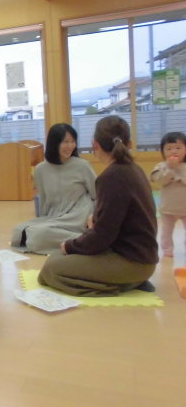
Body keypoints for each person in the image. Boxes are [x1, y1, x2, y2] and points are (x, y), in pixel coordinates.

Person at [38, 116, 158, 296]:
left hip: (132, 262)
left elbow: (103, 236)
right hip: (141, 257)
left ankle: (123, 284)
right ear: (129, 143)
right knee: (57, 256)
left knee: (50, 269)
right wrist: (94, 219)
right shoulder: (134, 169)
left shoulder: (111, 176)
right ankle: (126, 279)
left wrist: (70, 246)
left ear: (95, 145)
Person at [11, 123, 96, 254]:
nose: (70, 146)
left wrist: (94, 217)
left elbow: (98, 195)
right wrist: (43, 220)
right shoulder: (40, 169)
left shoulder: (82, 166)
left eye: (73, 141)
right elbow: (44, 200)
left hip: (78, 216)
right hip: (54, 216)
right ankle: (82, 240)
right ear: (54, 143)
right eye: (65, 142)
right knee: (19, 230)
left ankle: (87, 241)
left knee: (37, 235)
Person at [150, 131, 186, 257]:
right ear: (163, 151)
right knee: (166, 232)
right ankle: (167, 250)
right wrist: (170, 169)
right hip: (168, 209)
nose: (173, 151)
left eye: (178, 148)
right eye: (169, 149)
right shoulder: (161, 166)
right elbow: (159, 180)